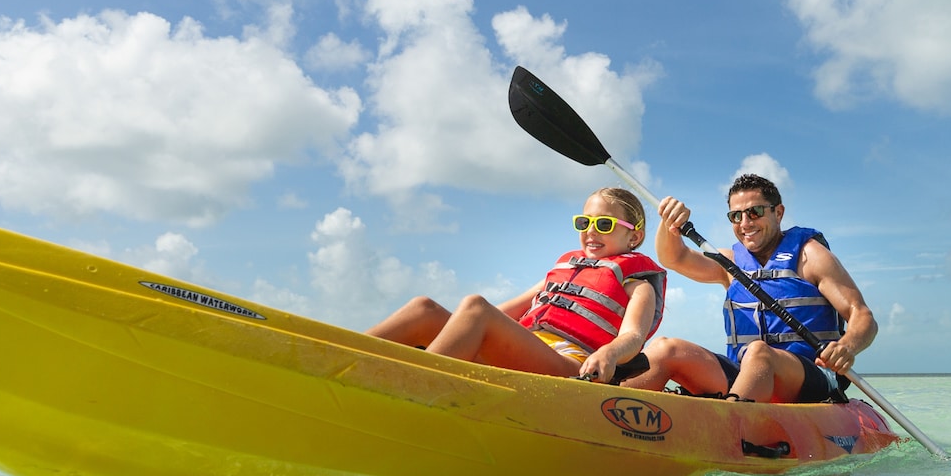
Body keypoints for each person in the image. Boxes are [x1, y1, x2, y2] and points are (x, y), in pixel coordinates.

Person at [624, 173, 877, 403]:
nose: (745, 223)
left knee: (758, 352)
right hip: (745, 373)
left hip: (809, 376)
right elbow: (674, 258)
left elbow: (862, 315)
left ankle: (728, 425)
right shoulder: (729, 263)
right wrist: (670, 223)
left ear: (778, 213)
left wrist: (847, 347)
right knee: (665, 348)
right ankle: (611, 409)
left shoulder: (810, 256)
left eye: (754, 212)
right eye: (736, 216)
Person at [368, 188, 667, 382]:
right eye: (583, 222)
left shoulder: (637, 285)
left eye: (604, 224)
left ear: (634, 237)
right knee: (425, 309)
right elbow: (499, 313)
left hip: (567, 364)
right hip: (524, 348)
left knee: (475, 307)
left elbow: (633, 336)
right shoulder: (564, 269)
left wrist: (609, 354)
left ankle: (414, 386)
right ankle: (332, 354)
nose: (591, 231)